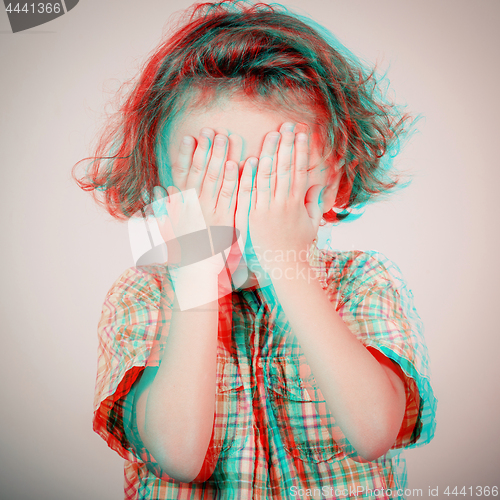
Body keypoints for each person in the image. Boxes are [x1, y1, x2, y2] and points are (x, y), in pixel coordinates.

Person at [75, 1, 437, 498]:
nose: (245, 213)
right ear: (160, 197)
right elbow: (177, 454)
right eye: (212, 183)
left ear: (339, 184)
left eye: (277, 181)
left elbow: (374, 432)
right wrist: (197, 280)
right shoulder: (142, 297)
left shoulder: (366, 281)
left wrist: (289, 260)